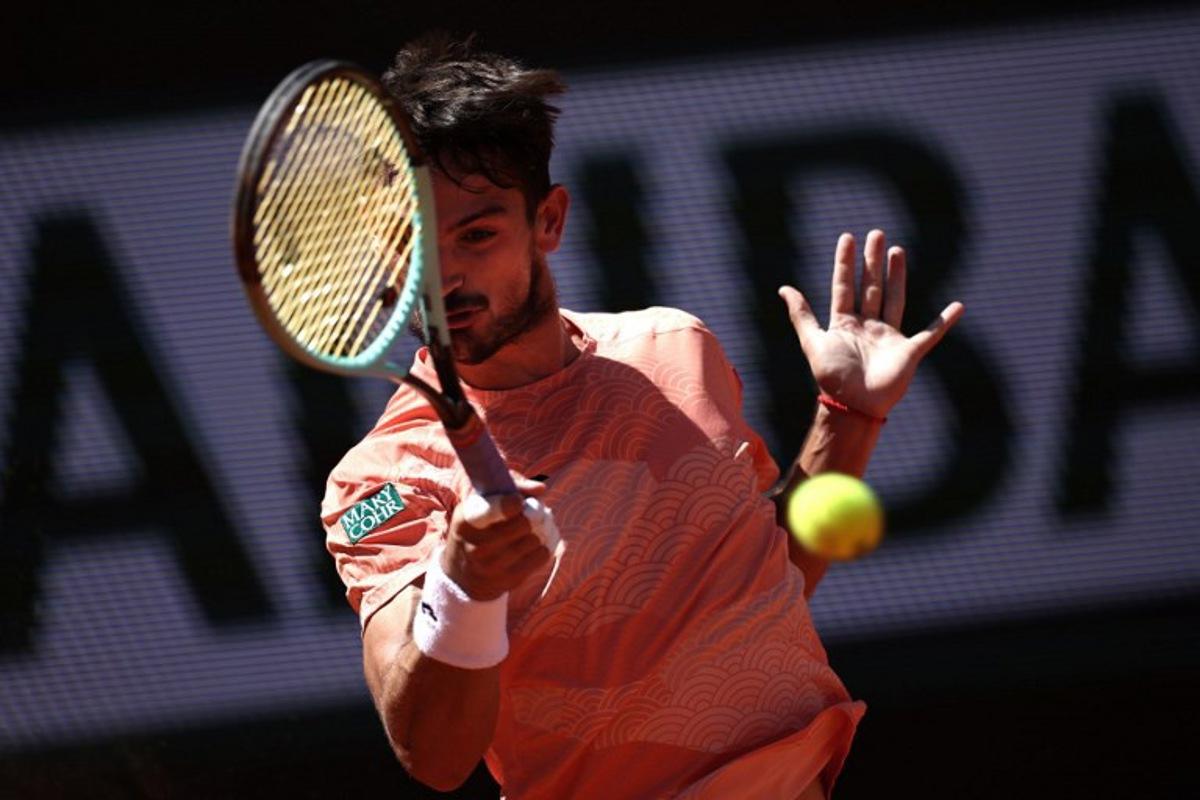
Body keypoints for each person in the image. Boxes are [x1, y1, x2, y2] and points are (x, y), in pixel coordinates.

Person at [321, 34, 963, 800]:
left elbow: (759, 583)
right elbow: (432, 756)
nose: (446, 273)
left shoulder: (674, 348)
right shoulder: (381, 484)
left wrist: (848, 416)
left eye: (478, 233)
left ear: (548, 222)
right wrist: (463, 586)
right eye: (414, 242)